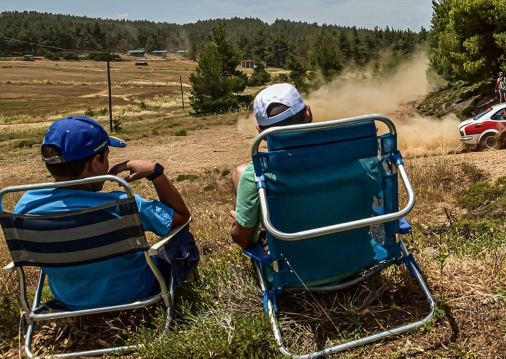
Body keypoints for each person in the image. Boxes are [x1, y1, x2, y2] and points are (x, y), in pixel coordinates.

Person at [13, 116, 198, 310]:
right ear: (95, 162)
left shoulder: (25, 207)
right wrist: (155, 172)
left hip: (69, 300)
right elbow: (181, 217)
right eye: (106, 156)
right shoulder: (122, 204)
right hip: (135, 291)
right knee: (184, 240)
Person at [231, 83, 313, 248]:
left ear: (261, 132)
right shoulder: (352, 151)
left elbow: (244, 241)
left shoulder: (256, 174)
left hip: (293, 269)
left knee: (239, 172)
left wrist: (237, 228)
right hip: (357, 258)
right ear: (308, 113)